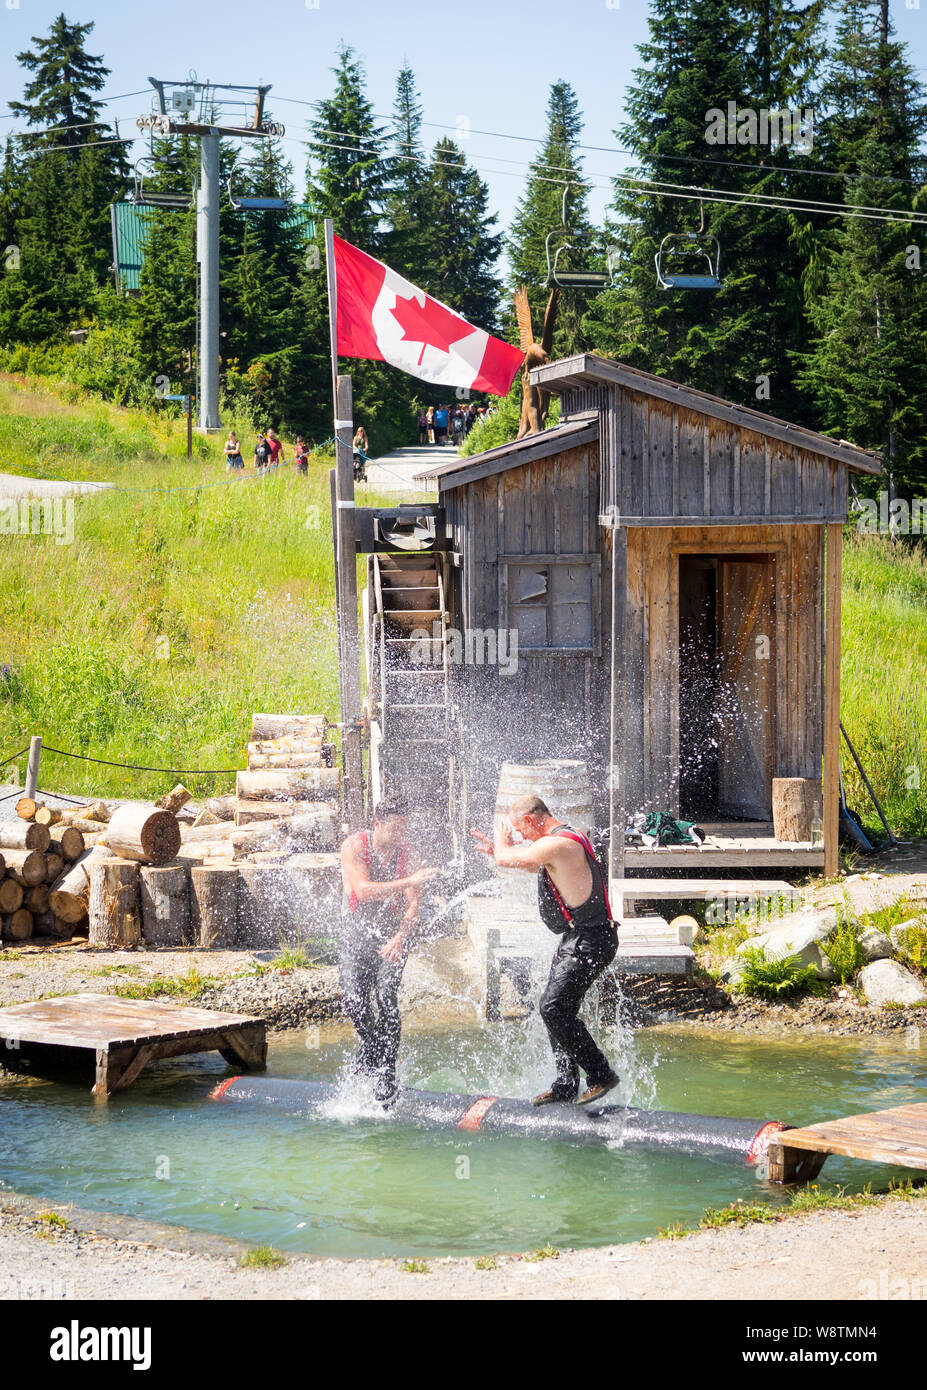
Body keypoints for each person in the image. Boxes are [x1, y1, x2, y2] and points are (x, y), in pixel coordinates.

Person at [472, 794, 619, 1107]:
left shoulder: (559, 842)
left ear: (530, 819)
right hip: (581, 937)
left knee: (553, 1008)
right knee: (554, 1010)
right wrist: (498, 851)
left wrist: (500, 845)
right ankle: (566, 1084)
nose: (522, 837)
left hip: (591, 939)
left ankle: (600, 1074)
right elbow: (531, 863)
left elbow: (509, 858)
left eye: (521, 830)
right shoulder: (561, 841)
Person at [339, 800, 437, 1102]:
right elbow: (363, 891)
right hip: (356, 933)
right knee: (355, 1000)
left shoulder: (408, 854)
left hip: (391, 937)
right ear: (377, 823)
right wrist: (410, 880)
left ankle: (386, 1074)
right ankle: (370, 1050)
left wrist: (400, 938)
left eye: (404, 828)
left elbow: (413, 906)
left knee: (386, 998)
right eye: (395, 828)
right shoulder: (355, 846)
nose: (399, 834)